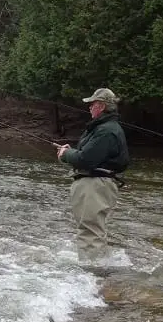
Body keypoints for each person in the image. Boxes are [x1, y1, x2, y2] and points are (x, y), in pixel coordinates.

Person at [55, 88, 129, 262]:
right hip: (96, 184)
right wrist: (70, 152)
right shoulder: (104, 128)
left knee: (90, 232)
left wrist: (66, 154)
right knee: (93, 230)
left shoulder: (106, 131)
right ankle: (99, 272)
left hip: (95, 185)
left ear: (101, 106)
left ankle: (93, 278)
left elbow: (86, 160)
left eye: (92, 104)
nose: (89, 107)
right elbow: (87, 155)